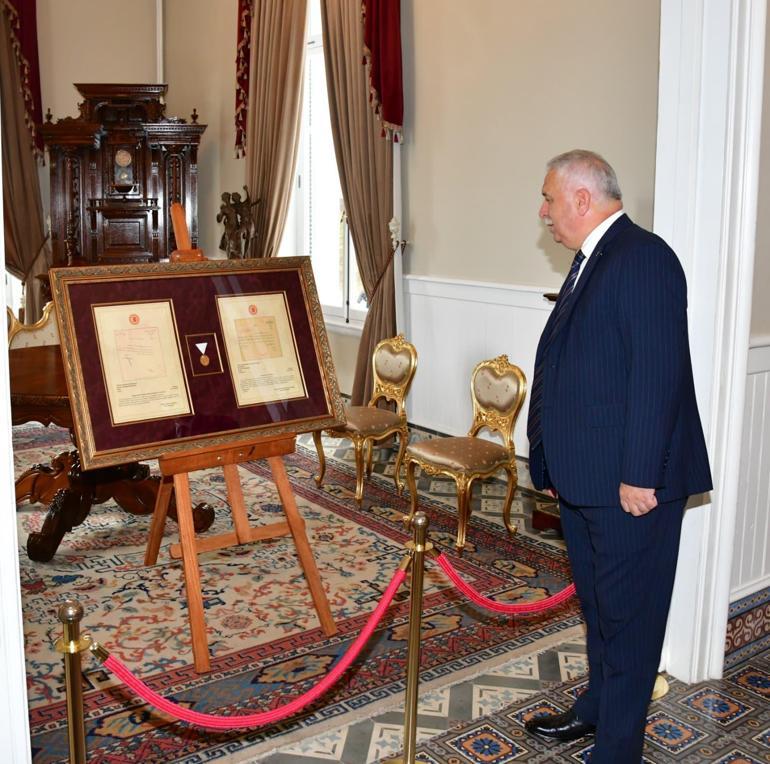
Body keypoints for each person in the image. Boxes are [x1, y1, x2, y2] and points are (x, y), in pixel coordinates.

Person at [525, 150, 712, 763]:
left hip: (633, 486)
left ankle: (618, 750)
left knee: (632, 624)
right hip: (588, 480)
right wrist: (551, 462)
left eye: (549, 198)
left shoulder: (644, 258)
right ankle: (597, 710)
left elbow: (657, 376)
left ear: (582, 198)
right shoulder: (592, 259)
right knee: (601, 610)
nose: (544, 211)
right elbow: (572, 367)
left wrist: (638, 476)